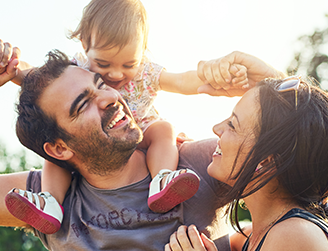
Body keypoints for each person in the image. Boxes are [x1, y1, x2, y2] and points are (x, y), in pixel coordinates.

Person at [0, 0, 249, 234]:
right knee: (55, 153)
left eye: (129, 64)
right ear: (85, 46)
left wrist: (219, 76)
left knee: (164, 129)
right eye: (103, 64)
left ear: (142, 52)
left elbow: (182, 80)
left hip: (144, 133)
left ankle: (162, 177)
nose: (117, 75)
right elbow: (39, 82)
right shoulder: (77, 69)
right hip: (90, 150)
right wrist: (10, 67)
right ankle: (50, 203)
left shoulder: (148, 75)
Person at [165, 75, 328, 250]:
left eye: (232, 125)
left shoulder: (295, 235)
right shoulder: (254, 236)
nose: (217, 128)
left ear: (266, 160)